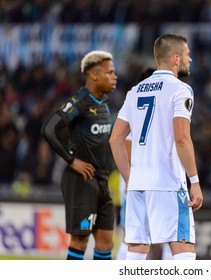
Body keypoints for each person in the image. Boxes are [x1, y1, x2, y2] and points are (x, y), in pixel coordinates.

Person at [110, 34, 203, 260]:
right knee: (183, 249)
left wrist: (129, 179)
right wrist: (195, 181)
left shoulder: (135, 92)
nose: (190, 59)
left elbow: (115, 139)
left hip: (138, 184)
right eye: (187, 54)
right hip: (168, 181)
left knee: (136, 251)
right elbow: (182, 139)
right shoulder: (180, 90)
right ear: (175, 58)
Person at [41, 50, 117, 260]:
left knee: (105, 242)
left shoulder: (103, 102)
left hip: (102, 182)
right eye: (110, 73)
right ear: (93, 75)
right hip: (82, 181)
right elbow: (49, 129)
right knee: (80, 241)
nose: (115, 77)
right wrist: (72, 161)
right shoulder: (79, 102)